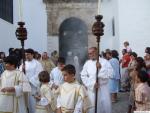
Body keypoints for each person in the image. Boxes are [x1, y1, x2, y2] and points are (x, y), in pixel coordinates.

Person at [81, 47, 113, 113]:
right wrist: (92, 84)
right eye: (89, 53)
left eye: (93, 52)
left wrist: (101, 69)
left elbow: (111, 74)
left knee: (104, 107)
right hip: (92, 90)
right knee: (93, 108)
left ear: (97, 52)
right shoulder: (87, 63)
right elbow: (83, 75)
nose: (91, 54)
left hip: (103, 89)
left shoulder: (105, 62)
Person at [19, 48, 43, 113]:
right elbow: (19, 73)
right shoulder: (23, 64)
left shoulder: (37, 63)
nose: (26, 56)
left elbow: (38, 74)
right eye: (25, 55)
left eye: (28, 54)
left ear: (32, 54)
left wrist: (29, 81)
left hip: (32, 87)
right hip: (24, 87)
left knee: (32, 104)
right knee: (24, 104)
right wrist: (22, 70)